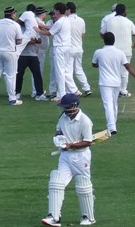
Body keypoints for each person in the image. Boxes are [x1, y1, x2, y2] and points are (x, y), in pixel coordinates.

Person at [41, 94, 96, 226]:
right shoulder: (62, 118)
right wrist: (59, 140)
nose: (64, 109)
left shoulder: (85, 121)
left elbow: (88, 142)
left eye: (66, 107)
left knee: (83, 185)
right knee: (56, 183)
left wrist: (71, 145)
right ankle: (54, 217)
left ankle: (88, 217)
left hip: (81, 157)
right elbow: (59, 131)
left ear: (74, 106)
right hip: (65, 156)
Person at [92, 32, 135, 134]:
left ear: (104, 40)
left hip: (104, 82)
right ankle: (113, 124)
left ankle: (112, 127)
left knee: (108, 104)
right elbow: (128, 66)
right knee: (114, 104)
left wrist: (102, 65)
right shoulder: (119, 53)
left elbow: (94, 64)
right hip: (116, 82)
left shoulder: (98, 52)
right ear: (114, 40)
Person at [102, 4, 135, 97]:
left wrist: (107, 41)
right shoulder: (128, 21)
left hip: (112, 50)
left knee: (113, 70)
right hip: (126, 50)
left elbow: (102, 32)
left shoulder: (109, 21)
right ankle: (122, 91)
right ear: (124, 12)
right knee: (124, 72)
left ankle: (113, 90)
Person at [39, 2, 71, 103]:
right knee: (64, 70)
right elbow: (52, 28)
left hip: (59, 48)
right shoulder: (66, 19)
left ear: (57, 11)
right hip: (66, 47)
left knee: (59, 71)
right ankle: (64, 92)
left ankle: (61, 94)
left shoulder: (59, 21)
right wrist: (42, 26)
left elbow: (49, 33)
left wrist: (37, 29)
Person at [66, 2, 92, 97]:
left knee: (68, 71)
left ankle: (73, 90)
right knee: (79, 70)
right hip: (79, 48)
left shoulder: (65, 20)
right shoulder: (81, 20)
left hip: (69, 49)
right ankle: (87, 88)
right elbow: (82, 35)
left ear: (68, 10)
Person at [15, 33, 48, 101]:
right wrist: (29, 41)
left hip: (33, 55)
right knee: (19, 74)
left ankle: (40, 94)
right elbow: (17, 41)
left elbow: (39, 40)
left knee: (37, 74)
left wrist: (33, 41)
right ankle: (17, 93)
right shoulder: (20, 29)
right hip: (22, 55)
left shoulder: (33, 30)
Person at [32, 7, 49, 98]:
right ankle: (36, 91)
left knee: (38, 71)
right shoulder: (38, 22)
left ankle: (37, 89)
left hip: (40, 50)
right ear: (42, 14)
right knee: (38, 71)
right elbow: (46, 32)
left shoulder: (38, 21)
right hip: (38, 50)